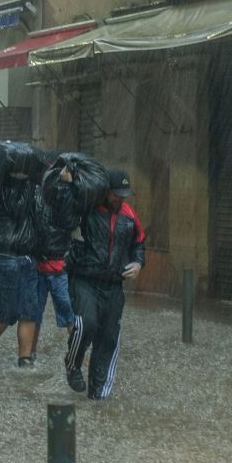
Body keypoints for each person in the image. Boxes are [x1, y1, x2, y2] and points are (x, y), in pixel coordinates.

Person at [64, 169, 145, 400]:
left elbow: (139, 245)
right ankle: (72, 364)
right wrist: (68, 185)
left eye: (124, 194)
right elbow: (64, 210)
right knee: (85, 324)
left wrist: (138, 263)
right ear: (105, 190)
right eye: (116, 194)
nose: (120, 198)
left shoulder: (129, 216)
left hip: (113, 286)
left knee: (109, 338)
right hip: (84, 280)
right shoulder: (86, 208)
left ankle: (99, 396)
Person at [0, 146, 44, 368]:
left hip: (27, 257)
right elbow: (17, 210)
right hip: (4, 257)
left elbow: (42, 215)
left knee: (30, 311)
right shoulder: (0, 191)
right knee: (7, 312)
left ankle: (24, 360)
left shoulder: (33, 189)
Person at [28, 153, 88, 364]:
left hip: (58, 265)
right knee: (36, 313)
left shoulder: (66, 195)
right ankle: (30, 354)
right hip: (42, 264)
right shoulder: (40, 193)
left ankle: (76, 354)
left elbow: (71, 223)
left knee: (67, 312)